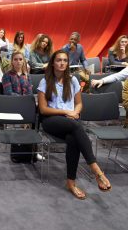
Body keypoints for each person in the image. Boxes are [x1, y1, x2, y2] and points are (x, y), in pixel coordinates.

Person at [38, 50, 112, 200]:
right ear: (53, 62)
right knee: (77, 127)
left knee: (73, 138)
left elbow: (79, 105)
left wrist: (74, 112)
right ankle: (96, 170)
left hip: (70, 121)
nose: (62, 63)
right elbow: (43, 109)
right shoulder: (45, 81)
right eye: (59, 60)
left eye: (65, 60)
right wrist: (67, 112)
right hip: (51, 120)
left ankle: (71, 182)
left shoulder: (73, 81)